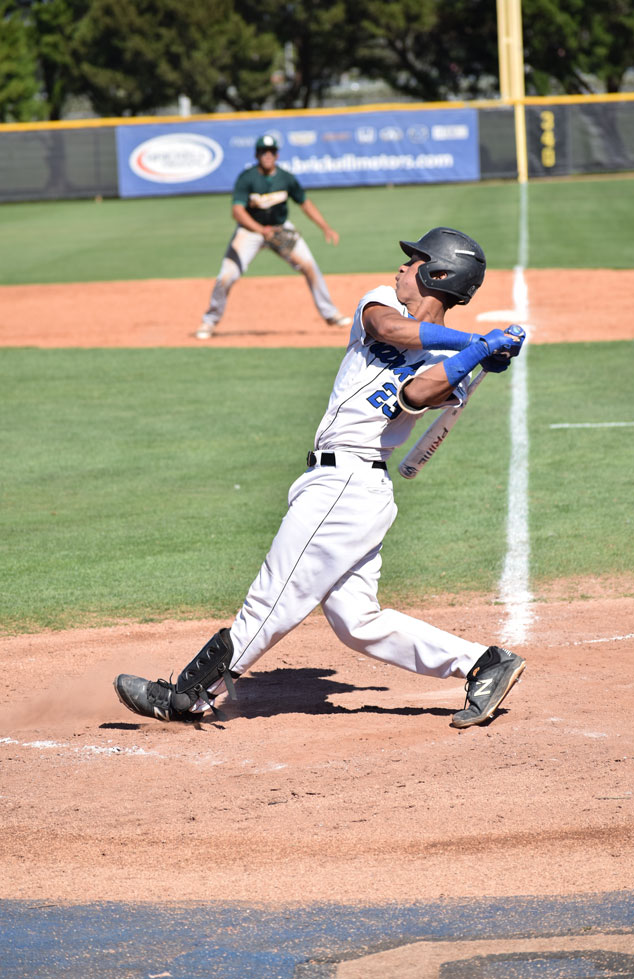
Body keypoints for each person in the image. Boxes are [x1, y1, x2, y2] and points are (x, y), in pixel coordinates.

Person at [117, 226, 527, 729]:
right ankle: (485, 665)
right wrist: (477, 342)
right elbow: (387, 330)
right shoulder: (381, 303)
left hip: (350, 488)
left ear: (437, 274)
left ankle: (188, 694)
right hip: (338, 483)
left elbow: (417, 396)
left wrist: (474, 356)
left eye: (412, 261)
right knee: (358, 622)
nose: (400, 268)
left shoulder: (454, 368)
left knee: (274, 595)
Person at [193, 134, 351, 339]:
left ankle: (331, 314)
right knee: (226, 276)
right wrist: (260, 230)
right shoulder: (247, 178)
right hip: (249, 231)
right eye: (262, 152)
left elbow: (305, 203)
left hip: (280, 230)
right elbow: (237, 212)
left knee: (310, 266)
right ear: (257, 154)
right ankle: (209, 321)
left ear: (276, 155)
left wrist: (325, 227)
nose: (267, 155)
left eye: (271, 152)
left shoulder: (286, 178)